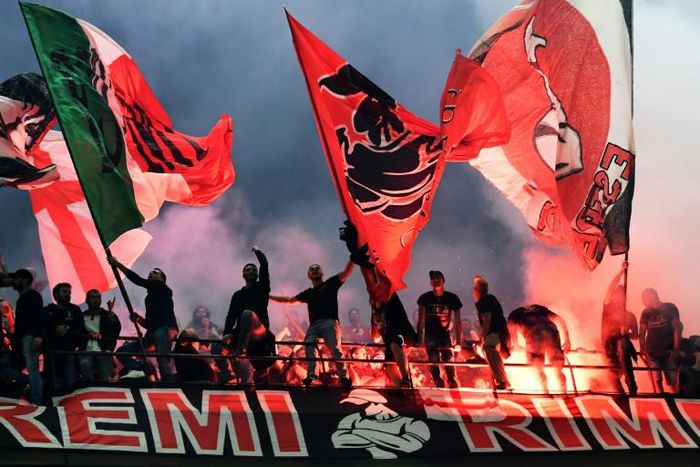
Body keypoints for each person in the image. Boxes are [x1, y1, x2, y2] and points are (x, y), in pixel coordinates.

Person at [270, 261, 355, 388]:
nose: (315, 270)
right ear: (309, 275)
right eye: (312, 269)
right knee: (309, 344)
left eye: (317, 268)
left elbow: (346, 273)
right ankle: (312, 375)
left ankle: (344, 377)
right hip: (314, 325)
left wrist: (354, 258)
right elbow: (288, 300)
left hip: (329, 321)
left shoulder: (330, 283)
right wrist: (269, 297)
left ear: (322, 273)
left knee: (335, 349)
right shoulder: (309, 293)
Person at [108, 257, 178, 382]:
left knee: (162, 360)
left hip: (164, 329)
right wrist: (139, 319)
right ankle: (137, 369)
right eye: (150, 272)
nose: (151, 273)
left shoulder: (162, 287)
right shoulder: (151, 297)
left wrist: (118, 264)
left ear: (162, 279)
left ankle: (169, 386)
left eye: (155, 273)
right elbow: (150, 324)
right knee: (123, 351)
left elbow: (138, 280)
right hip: (153, 333)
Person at [222, 246, 276, 385]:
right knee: (218, 344)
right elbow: (231, 315)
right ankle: (234, 371)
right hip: (242, 332)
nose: (251, 271)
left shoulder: (263, 287)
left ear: (257, 275)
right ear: (243, 275)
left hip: (260, 330)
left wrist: (258, 252)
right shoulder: (237, 295)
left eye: (253, 270)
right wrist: (227, 332)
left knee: (247, 314)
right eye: (248, 270)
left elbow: (264, 265)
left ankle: (239, 352)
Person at [1, 269, 44, 404]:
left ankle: (37, 401)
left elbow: (39, 317)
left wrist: (38, 335)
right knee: (5, 365)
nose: (14, 281)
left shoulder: (33, 296)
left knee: (33, 369)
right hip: (22, 340)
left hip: (30, 338)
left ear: (24, 281)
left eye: (17, 278)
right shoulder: (22, 298)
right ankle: (28, 384)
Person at [508, 305, 571, 393]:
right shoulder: (539, 309)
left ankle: (546, 392)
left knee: (537, 366)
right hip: (552, 332)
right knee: (557, 367)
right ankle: (564, 392)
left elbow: (516, 343)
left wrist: (518, 347)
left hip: (534, 335)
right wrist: (567, 340)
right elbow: (560, 320)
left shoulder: (513, 316)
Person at [417, 270, 462, 388]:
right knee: (433, 359)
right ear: (430, 282)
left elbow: (458, 321)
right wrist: (420, 340)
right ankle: (438, 380)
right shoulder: (424, 298)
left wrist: (459, 341)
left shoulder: (452, 298)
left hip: (445, 334)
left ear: (443, 280)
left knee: (448, 358)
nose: (436, 280)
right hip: (430, 334)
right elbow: (420, 320)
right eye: (433, 278)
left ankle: (452, 380)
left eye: (438, 277)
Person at [601, 262, 638, 395]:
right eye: (617, 294)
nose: (618, 296)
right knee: (613, 379)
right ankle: (621, 398)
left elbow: (636, 336)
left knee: (623, 344)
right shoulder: (608, 307)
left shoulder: (630, 316)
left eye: (622, 294)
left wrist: (626, 331)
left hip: (622, 347)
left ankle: (632, 386)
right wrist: (622, 271)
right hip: (608, 346)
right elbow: (610, 288)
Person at [44, 283, 86, 392]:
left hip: (68, 351)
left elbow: (79, 326)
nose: (68, 294)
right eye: (64, 292)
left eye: (69, 292)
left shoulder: (75, 309)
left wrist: (67, 327)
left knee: (70, 381)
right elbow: (43, 326)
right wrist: (55, 329)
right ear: (56, 294)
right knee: (55, 383)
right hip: (51, 353)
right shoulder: (48, 310)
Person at [639, 288, 682, 393]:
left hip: (669, 352)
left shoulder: (670, 308)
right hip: (652, 352)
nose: (643, 302)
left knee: (673, 382)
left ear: (652, 296)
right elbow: (641, 334)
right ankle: (661, 399)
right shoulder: (645, 313)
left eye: (645, 298)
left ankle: (674, 402)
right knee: (657, 380)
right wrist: (644, 350)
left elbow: (677, 329)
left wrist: (676, 350)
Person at [472, 276, 511, 390]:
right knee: (488, 350)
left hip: (496, 333)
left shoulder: (483, 301)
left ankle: (502, 380)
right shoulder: (491, 298)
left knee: (488, 347)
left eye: (474, 288)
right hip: (502, 333)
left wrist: (482, 338)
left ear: (476, 290)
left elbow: (487, 320)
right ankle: (500, 378)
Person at [370, 293, 417, 387]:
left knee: (394, 343)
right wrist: (375, 324)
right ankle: (400, 389)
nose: (373, 300)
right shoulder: (375, 315)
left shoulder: (392, 302)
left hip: (403, 334)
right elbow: (376, 338)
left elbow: (387, 288)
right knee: (390, 366)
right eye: (371, 299)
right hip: (389, 343)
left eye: (374, 297)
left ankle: (405, 378)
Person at [79, 290, 121, 383]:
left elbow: (115, 330)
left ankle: (107, 390)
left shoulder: (106, 315)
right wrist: (88, 335)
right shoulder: (81, 316)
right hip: (86, 350)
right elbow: (77, 332)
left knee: (105, 371)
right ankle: (90, 388)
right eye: (93, 297)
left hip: (103, 350)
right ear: (87, 300)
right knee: (84, 364)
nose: (96, 300)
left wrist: (111, 312)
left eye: (98, 297)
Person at [188, 306, 230, 382]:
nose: (201, 314)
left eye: (203, 311)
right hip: (198, 353)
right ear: (195, 314)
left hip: (212, 354)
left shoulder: (213, 326)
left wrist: (207, 327)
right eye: (199, 312)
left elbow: (218, 339)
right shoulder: (191, 326)